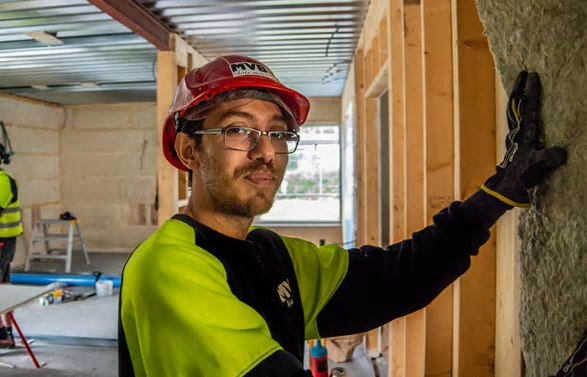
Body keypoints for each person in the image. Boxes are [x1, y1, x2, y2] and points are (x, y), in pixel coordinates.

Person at [118, 55, 567, 377]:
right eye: (238, 129)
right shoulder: (168, 266)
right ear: (188, 149)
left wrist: (497, 193)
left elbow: (396, 277)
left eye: (277, 133)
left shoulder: (272, 254)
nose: (266, 152)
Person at [0, 142, 23, 349]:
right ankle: (5, 333)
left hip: (2, 241)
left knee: (2, 287)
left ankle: (4, 333)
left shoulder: (3, 181)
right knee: (2, 286)